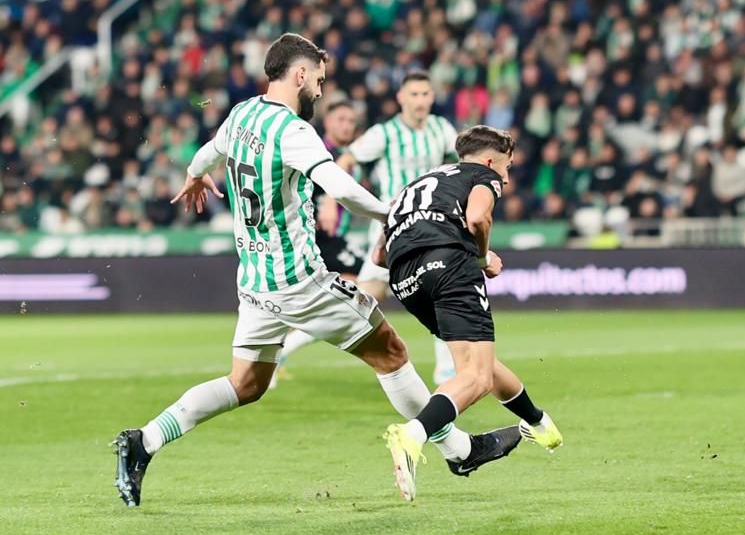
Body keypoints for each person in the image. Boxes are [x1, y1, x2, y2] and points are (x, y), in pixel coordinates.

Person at [112, 35, 519, 507]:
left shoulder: (243, 113)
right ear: (299, 74)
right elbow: (341, 188)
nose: (322, 92)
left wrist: (193, 174)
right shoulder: (294, 132)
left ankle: (143, 441)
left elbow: (207, 154)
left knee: (246, 383)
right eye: (320, 81)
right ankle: (459, 449)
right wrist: (395, 214)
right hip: (301, 281)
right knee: (391, 351)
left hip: (256, 284)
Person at [376, 125, 563, 501]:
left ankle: (540, 424)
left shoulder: (418, 183)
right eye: (507, 169)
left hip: (404, 278)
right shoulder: (482, 175)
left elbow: (378, 254)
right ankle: (413, 435)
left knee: (479, 366)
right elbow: (478, 218)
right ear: (492, 160)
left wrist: (537, 420)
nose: (506, 179)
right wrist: (481, 257)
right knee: (474, 377)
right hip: (449, 262)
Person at [340, 72, 460, 385]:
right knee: (359, 303)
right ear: (401, 98)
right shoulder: (385, 133)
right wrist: (331, 201)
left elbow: (460, 161)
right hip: (391, 231)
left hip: (431, 226)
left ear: (432, 97)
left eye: (425, 94)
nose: (420, 101)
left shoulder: (441, 129)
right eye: (414, 94)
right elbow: (347, 159)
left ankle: (446, 370)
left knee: (442, 290)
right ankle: (294, 340)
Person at [273, 99, 362, 383]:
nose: (347, 125)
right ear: (328, 122)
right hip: (316, 237)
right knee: (362, 283)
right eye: (341, 120)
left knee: (318, 301)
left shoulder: (349, 155)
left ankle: (276, 355)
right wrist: (325, 201)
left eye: (351, 121)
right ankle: (281, 352)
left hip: (334, 237)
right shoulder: (319, 151)